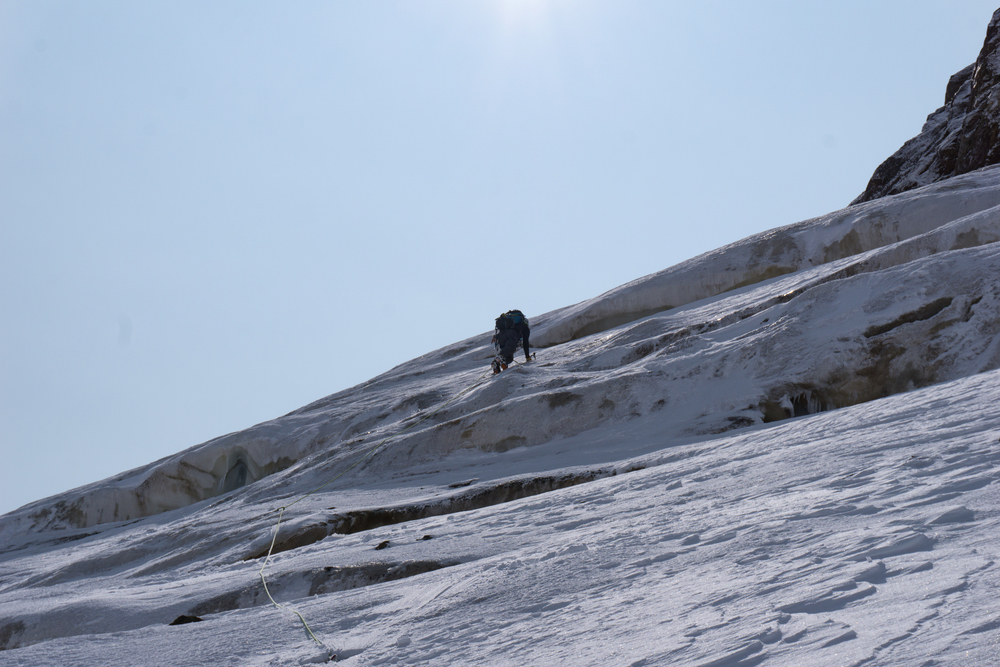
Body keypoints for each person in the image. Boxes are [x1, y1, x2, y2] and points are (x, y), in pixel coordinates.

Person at [491, 310, 531, 374]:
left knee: (509, 357)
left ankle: (499, 364)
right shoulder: (524, 326)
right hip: (512, 334)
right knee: (510, 347)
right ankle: (499, 358)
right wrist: (527, 357)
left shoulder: (507, 324)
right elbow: (525, 342)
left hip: (501, 336)